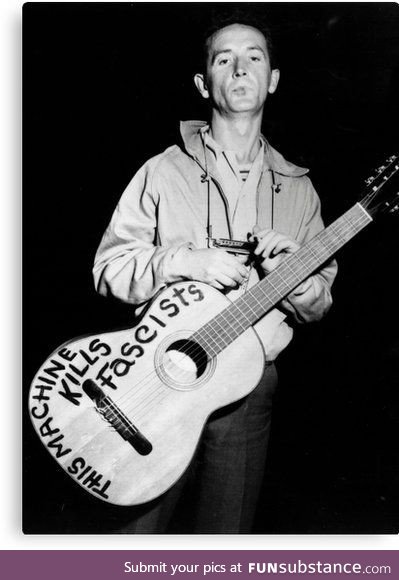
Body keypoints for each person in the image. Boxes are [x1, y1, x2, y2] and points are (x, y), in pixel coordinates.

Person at [93, 12, 337, 533]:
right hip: (158, 374)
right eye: (224, 59)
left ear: (273, 79)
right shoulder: (162, 169)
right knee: (136, 533)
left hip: (250, 391)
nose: (241, 69)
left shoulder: (301, 190)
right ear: (206, 83)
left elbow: (320, 304)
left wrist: (292, 275)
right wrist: (179, 261)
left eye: (255, 57)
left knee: (224, 538)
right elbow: (108, 268)